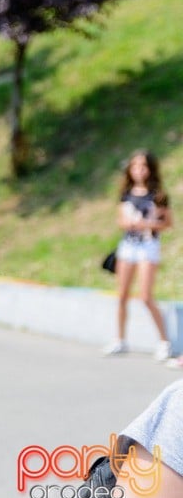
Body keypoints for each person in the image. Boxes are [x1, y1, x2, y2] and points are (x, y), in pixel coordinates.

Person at [103, 150, 173, 360]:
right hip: (128, 246)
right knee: (122, 295)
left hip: (148, 246)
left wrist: (148, 224)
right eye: (134, 166)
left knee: (145, 296)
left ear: (150, 169)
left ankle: (164, 342)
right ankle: (120, 339)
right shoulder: (126, 193)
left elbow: (168, 223)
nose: (138, 171)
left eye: (143, 166)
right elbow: (120, 220)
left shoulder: (158, 195)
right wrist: (129, 223)